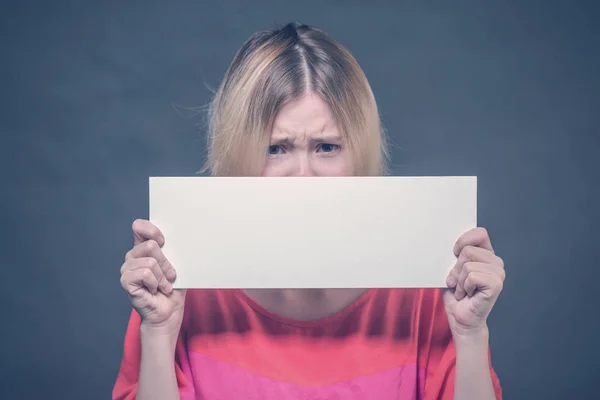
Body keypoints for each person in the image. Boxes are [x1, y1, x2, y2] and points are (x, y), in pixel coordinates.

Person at [113, 22, 505, 400]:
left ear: (358, 153)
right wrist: (159, 332)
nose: (303, 175)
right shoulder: (178, 286)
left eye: (327, 147)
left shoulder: (425, 290)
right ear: (239, 152)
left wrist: (471, 335)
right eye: (276, 148)